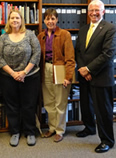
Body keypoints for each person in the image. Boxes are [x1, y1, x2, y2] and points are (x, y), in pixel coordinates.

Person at [75, 0, 116, 153]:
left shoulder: (110, 28)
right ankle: (89, 128)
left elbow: (107, 54)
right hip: (84, 75)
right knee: (86, 106)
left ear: (103, 11)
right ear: (88, 13)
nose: (94, 13)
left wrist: (89, 70)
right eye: (91, 10)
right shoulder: (83, 29)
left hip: (101, 76)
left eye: (97, 10)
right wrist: (82, 69)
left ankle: (107, 140)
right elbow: (79, 51)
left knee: (103, 110)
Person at [0, 9, 41, 147]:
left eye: (17, 18)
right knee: (12, 105)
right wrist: (13, 73)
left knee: (29, 105)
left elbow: (37, 53)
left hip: (30, 76)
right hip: (8, 77)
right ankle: (15, 132)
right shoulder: (3, 37)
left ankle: (30, 132)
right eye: (12, 18)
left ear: (21, 20)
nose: (15, 20)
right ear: (9, 21)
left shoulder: (30, 35)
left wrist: (24, 72)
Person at [37, 8, 75, 142]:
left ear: (57, 20)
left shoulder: (65, 34)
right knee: (48, 102)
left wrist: (68, 76)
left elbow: (70, 58)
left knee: (60, 102)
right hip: (45, 69)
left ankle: (60, 130)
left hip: (60, 69)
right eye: (47, 18)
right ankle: (52, 128)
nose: (50, 21)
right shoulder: (40, 36)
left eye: (53, 18)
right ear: (44, 20)